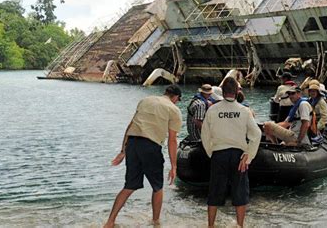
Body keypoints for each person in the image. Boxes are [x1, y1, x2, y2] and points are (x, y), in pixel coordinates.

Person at [104, 85, 183, 227]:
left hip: (133, 144)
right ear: (175, 97)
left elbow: (130, 126)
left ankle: (110, 222)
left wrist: (123, 151)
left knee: (129, 186)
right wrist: (174, 166)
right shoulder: (174, 110)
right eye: (177, 100)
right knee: (157, 187)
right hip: (151, 146)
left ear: (165, 93)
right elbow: (172, 140)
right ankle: (156, 222)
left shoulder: (145, 100)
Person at [201, 77, 261, 228]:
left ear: (222, 91)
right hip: (238, 155)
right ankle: (240, 225)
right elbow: (256, 134)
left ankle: (210, 225)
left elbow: (205, 135)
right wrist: (248, 155)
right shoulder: (244, 111)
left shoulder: (212, 109)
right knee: (240, 192)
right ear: (236, 92)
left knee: (214, 191)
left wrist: (211, 153)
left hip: (219, 154)